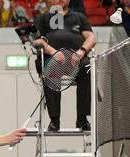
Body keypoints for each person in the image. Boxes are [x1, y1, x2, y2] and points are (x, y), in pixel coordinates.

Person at [34, 0, 96, 131]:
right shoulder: (43, 18)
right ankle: (54, 120)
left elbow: (91, 37)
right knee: (49, 67)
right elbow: (36, 40)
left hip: (76, 58)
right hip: (53, 58)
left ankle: (82, 118)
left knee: (87, 66)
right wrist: (53, 52)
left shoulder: (79, 17)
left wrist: (81, 52)